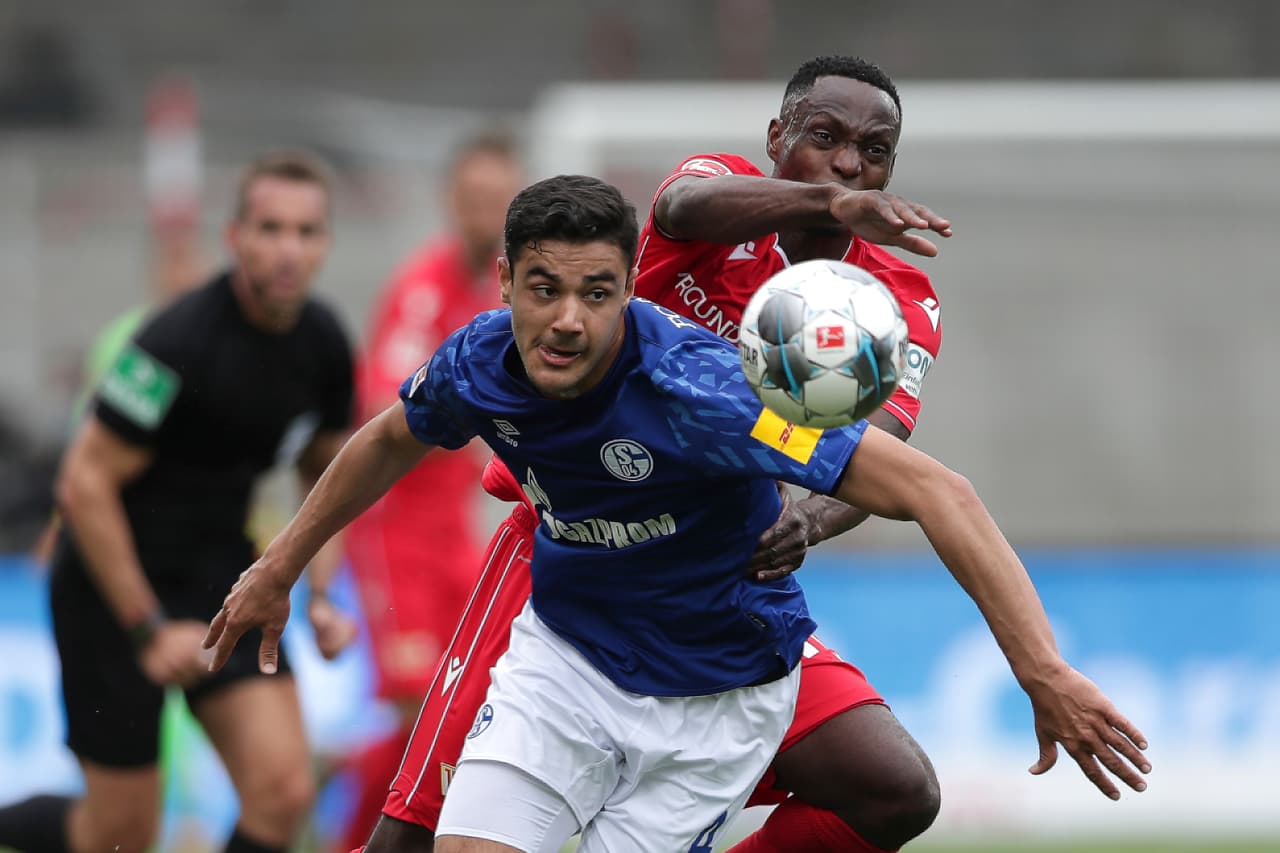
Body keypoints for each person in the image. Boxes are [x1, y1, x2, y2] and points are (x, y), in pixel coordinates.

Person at [204, 174, 1150, 853]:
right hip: (564, 667)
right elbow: (387, 438)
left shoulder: (707, 392)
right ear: (504, 283)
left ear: (627, 291)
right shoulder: (481, 357)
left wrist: (1043, 672)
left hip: (713, 701)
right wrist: (278, 565)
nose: (567, 319)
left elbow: (937, 490)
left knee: (893, 787)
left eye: (597, 293)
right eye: (544, 290)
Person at [370, 55, 954, 853]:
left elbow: (880, 452)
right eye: (825, 138)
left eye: (873, 152)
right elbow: (681, 206)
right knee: (413, 832)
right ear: (778, 137)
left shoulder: (896, 301)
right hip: (575, 539)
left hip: (716, 576)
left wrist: (809, 521)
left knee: (894, 790)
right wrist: (829, 201)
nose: (850, 163)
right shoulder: (721, 193)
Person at [0, 151, 359, 853]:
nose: (289, 249)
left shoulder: (324, 344)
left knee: (283, 790)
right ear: (235, 238)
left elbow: (330, 473)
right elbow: (83, 482)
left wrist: (321, 594)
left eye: (307, 231)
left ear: (326, 243)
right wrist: (146, 626)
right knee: (118, 835)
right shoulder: (174, 344)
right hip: (111, 590)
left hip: (221, 577)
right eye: (271, 228)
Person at [337, 132, 524, 853]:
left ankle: (350, 780)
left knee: (462, 710)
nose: (488, 214)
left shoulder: (499, 289)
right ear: (452, 202)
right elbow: (383, 405)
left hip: (457, 535)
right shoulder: (426, 287)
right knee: (426, 711)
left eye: (500, 200)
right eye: (476, 199)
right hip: (395, 532)